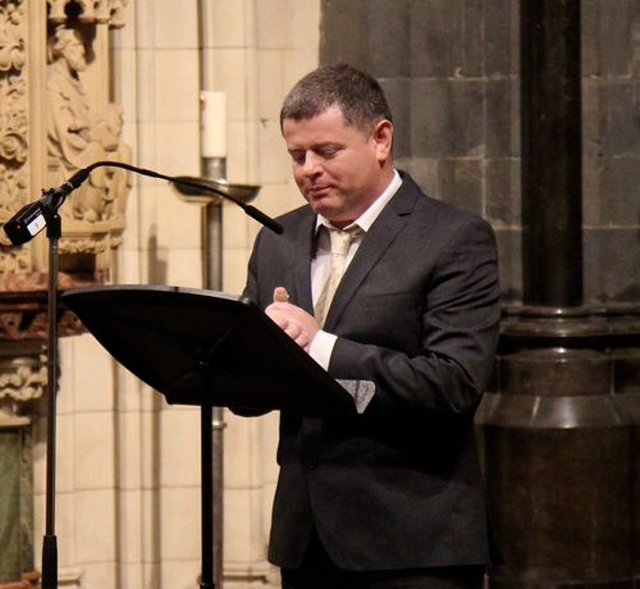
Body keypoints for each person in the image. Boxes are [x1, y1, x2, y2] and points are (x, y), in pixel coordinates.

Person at [241, 63, 501, 589]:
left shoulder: (452, 238)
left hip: (413, 541)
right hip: (306, 537)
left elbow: (453, 383)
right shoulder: (279, 238)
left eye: (326, 151)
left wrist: (322, 345)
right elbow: (252, 391)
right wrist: (233, 355)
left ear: (380, 139)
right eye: (297, 155)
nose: (307, 169)